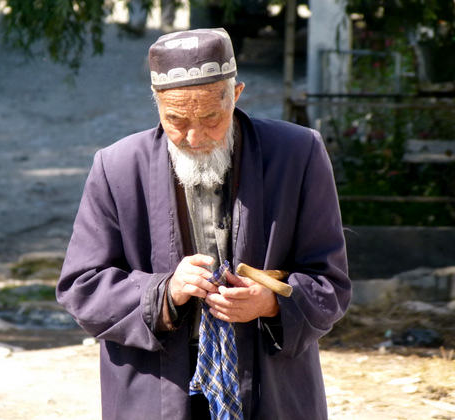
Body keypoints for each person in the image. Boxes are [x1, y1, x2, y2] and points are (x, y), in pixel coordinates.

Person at [56, 28, 351, 420]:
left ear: (237, 95)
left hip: (271, 390)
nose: (195, 136)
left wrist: (271, 303)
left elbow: (330, 284)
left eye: (212, 117)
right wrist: (164, 291)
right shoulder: (117, 167)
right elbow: (81, 288)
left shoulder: (299, 155)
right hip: (155, 392)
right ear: (156, 104)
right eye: (176, 120)